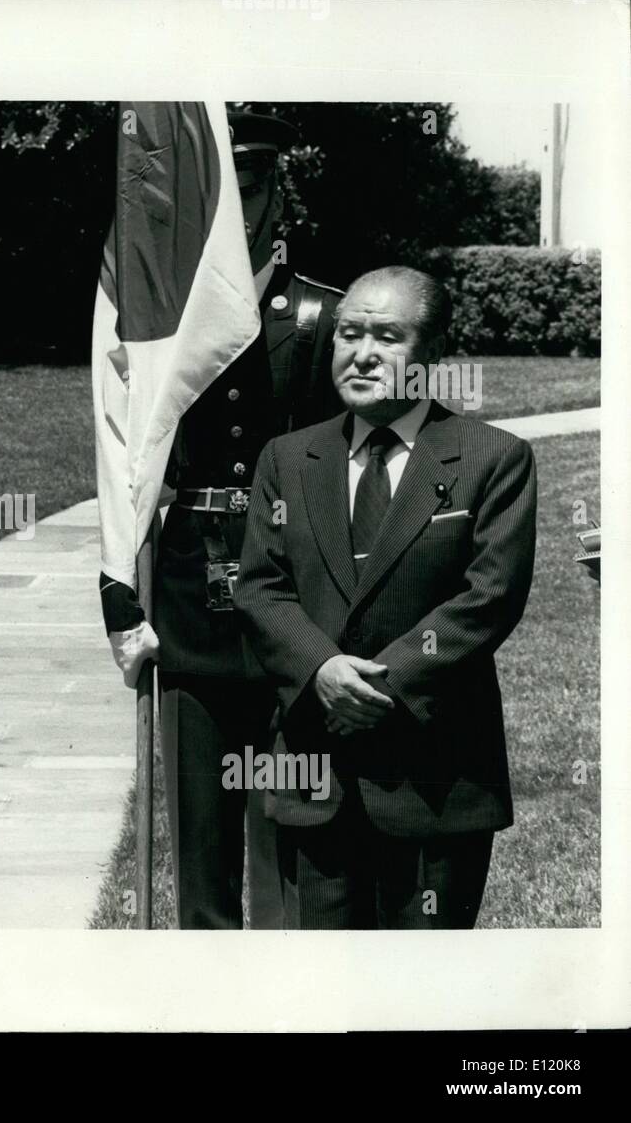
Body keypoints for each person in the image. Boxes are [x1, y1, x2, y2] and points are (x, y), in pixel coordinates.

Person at [233, 266, 537, 929]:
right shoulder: (287, 459)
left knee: (426, 981)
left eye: (387, 337)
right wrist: (322, 669)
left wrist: (375, 687)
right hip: (317, 776)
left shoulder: (493, 458)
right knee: (326, 979)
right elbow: (260, 587)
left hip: (435, 780)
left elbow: (489, 597)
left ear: (432, 354)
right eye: (349, 334)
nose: (363, 353)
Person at [101, 111, 345, 929]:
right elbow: (128, 455)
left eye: (250, 190)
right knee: (201, 841)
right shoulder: (161, 321)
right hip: (191, 598)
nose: (236, 214)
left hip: (294, 594)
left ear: (279, 193)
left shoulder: (322, 318)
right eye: (219, 195)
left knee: (289, 834)